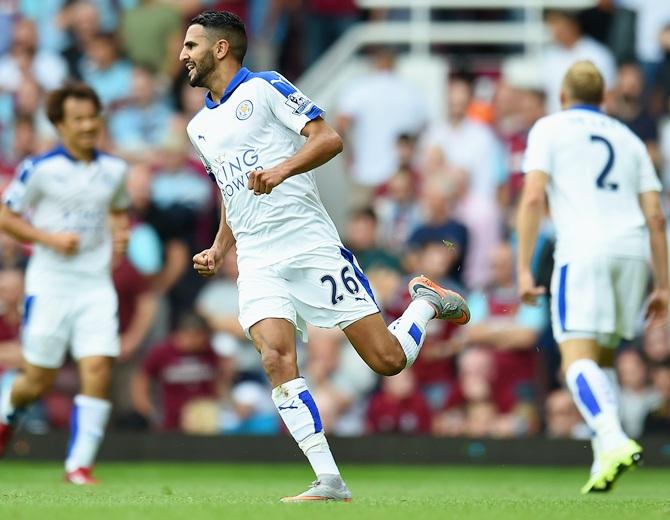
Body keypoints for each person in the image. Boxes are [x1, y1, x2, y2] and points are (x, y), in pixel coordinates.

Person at [180, 10, 470, 502]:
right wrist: (219, 245)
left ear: (221, 49)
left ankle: (424, 301)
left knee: (387, 360)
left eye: (192, 45)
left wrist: (281, 170)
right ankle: (329, 479)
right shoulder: (198, 127)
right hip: (256, 258)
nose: (183, 54)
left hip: (308, 243)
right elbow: (232, 191)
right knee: (275, 356)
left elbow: (328, 139)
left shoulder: (266, 87)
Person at [516, 60, 668, 494]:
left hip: (583, 251)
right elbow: (657, 217)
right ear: (605, 99)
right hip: (633, 252)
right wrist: (664, 284)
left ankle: (616, 439)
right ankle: (604, 460)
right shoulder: (631, 138)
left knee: (575, 361)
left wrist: (524, 269)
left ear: (563, 96)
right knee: (602, 359)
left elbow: (531, 199)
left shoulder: (550, 127)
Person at [0, 83, 130, 485]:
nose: (89, 125)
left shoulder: (115, 170)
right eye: (79, 119)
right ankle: (7, 415)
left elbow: (119, 210)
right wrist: (49, 239)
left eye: (93, 116)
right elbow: (6, 215)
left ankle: (79, 466)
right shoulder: (40, 169)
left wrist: (120, 236)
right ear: (59, 124)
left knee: (98, 367)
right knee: (37, 379)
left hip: (94, 285)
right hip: (51, 283)